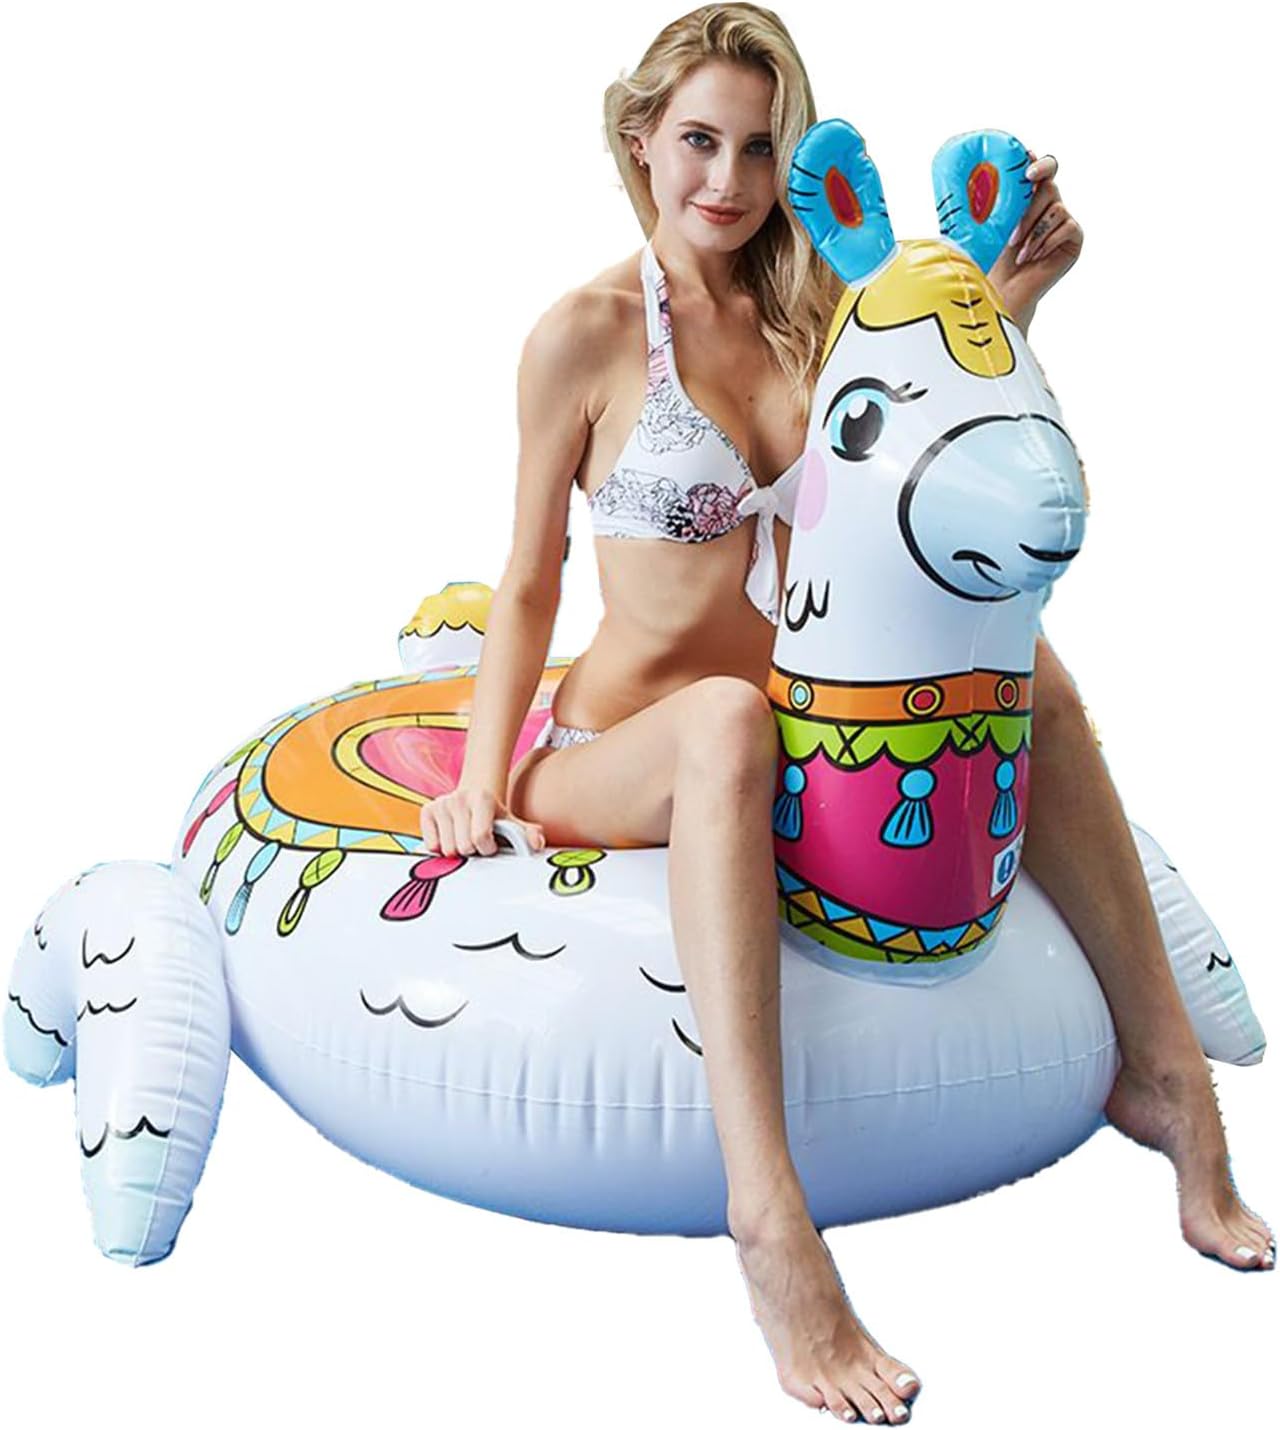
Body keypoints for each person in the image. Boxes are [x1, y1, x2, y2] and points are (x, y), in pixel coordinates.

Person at [419, 4, 1274, 1420]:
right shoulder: (584, 336)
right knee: (723, 720)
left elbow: (919, 459)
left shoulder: (821, 311)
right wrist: (473, 772)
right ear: (640, 140)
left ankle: (1170, 1072)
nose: (728, 180)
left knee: (1036, 672)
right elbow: (527, 581)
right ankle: (773, 1227)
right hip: (616, 751)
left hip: (802, 721)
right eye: (699, 141)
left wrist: (1014, 304)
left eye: (761, 149)